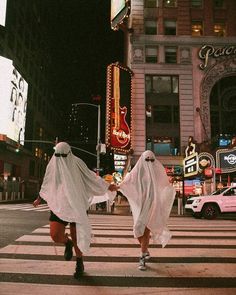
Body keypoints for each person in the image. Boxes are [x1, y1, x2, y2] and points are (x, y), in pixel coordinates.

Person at [33, 142, 117, 279]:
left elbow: (91, 177)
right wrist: (39, 198)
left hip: (77, 204)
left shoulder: (77, 163)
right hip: (59, 204)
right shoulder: (53, 163)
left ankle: (79, 262)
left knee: (77, 236)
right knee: (55, 235)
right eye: (58, 155)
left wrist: (107, 186)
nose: (61, 159)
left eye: (63, 156)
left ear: (69, 154)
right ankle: (67, 242)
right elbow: (47, 182)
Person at [119, 150, 175, 271]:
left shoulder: (157, 172)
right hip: (141, 206)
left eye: (151, 160)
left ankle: (142, 256)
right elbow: (127, 183)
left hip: (153, 206)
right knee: (137, 229)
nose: (149, 162)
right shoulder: (137, 172)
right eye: (147, 160)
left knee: (145, 231)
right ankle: (145, 250)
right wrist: (118, 186)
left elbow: (164, 186)